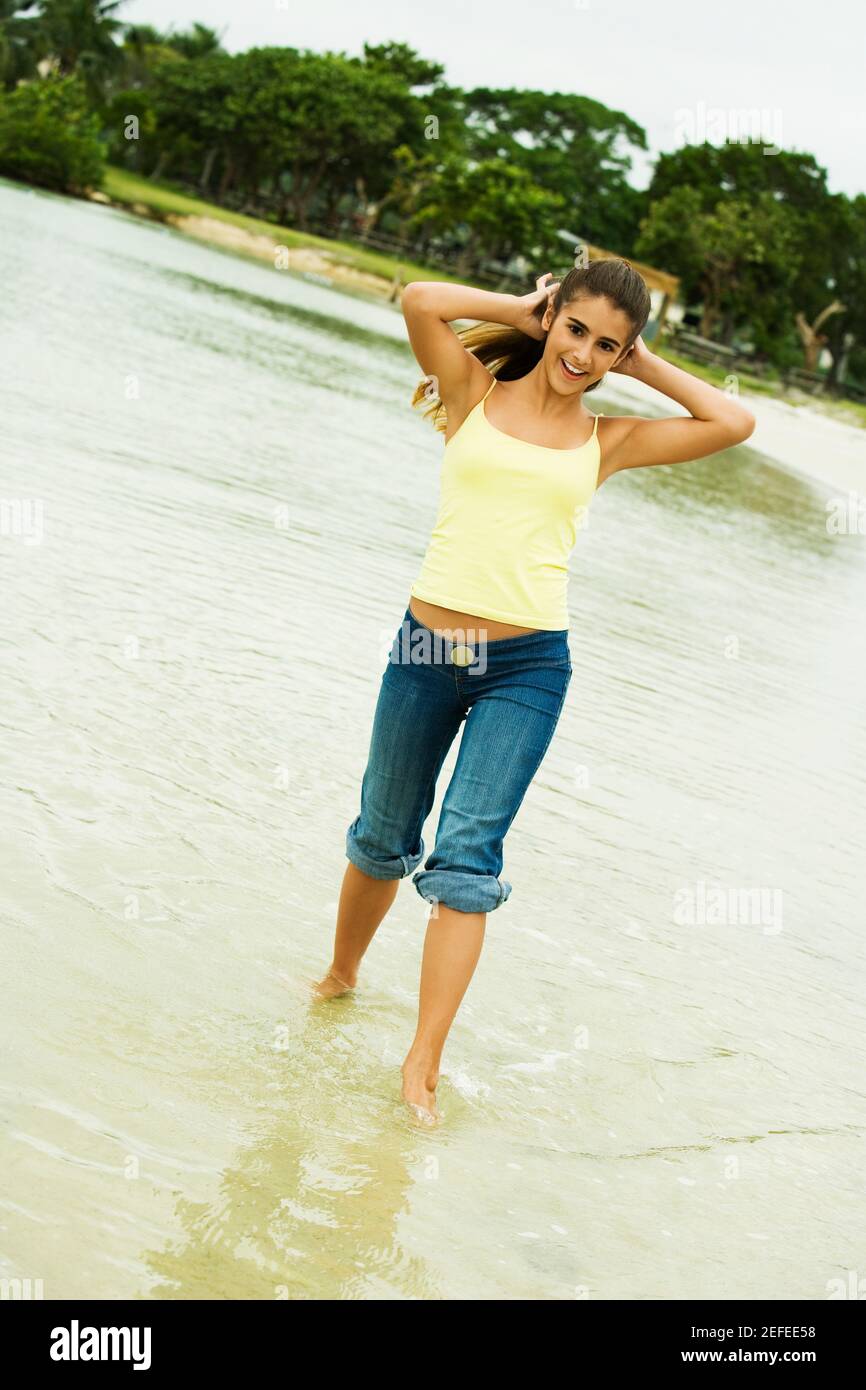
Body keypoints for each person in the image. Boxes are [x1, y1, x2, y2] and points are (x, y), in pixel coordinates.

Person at [313, 259, 756, 1123]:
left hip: (528, 668)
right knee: (380, 834)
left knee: (467, 860)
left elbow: (733, 420)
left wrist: (644, 365)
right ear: (552, 319)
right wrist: (518, 306)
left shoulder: (611, 440)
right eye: (576, 330)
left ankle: (422, 1060)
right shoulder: (472, 392)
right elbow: (421, 301)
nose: (584, 354)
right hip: (423, 650)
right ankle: (338, 978)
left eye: (607, 345)